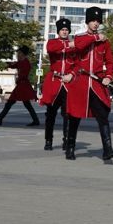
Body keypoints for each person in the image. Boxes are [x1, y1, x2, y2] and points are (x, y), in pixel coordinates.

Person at [64, 6, 113, 162]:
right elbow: (79, 46)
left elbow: (110, 62)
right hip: (80, 82)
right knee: (75, 116)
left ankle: (107, 150)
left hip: (96, 83)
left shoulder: (105, 42)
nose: (95, 23)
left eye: (97, 21)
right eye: (93, 21)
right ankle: (70, 147)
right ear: (87, 22)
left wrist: (109, 76)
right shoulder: (80, 37)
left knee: (103, 115)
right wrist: (96, 38)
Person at [41, 17, 76, 151]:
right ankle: (48, 140)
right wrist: (68, 45)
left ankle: (66, 140)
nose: (65, 32)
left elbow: (77, 63)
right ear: (58, 31)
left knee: (68, 114)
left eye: (67, 30)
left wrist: (71, 75)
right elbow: (51, 49)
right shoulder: (53, 42)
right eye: (62, 30)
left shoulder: (74, 46)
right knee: (50, 113)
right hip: (54, 81)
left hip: (68, 83)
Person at [0, 45, 41, 126]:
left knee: (11, 103)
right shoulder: (22, 62)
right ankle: (36, 120)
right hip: (22, 85)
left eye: (19, 53)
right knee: (25, 104)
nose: (18, 54)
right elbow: (13, 65)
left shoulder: (25, 62)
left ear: (23, 54)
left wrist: (18, 79)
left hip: (22, 86)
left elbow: (24, 74)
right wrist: (5, 64)